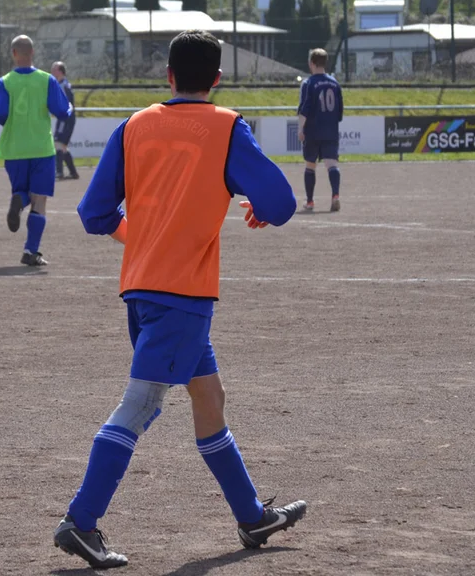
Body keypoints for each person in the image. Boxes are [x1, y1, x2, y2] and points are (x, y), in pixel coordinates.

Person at [53, 30, 304, 570]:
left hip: (142, 290)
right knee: (141, 404)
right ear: (216, 79)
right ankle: (81, 521)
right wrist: (257, 207)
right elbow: (281, 203)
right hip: (183, 296)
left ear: (167, 76)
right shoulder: (226, 126)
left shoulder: (134, 125)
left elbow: (94, 215)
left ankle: (252, 515)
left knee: (209, 397)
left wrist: (141, 237)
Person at [0, 36, 73, 267]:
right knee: (40, 200)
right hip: (40, 148)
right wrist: (69, 107)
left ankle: (19, 198)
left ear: (13, 53)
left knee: (23, 191)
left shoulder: (4, 82)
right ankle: (31, 251)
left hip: (14, 150)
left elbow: (0, 115)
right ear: (33, 52)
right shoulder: (46, 80)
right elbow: (61, 111)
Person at [297, 48, 343, 212]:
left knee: (310, 165)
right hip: (330, 129)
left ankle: (310, 202)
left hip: (313, 130)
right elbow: (339, 112)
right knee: (331, 164)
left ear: (312, 63)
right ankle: (335, 195)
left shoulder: (308, 83)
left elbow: (305, 108)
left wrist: (301, 128)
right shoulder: (335, 83)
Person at [50, 61, 79, 180]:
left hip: (65, 119)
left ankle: (59, 172)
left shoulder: (64, 86)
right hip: (63, 119)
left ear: (60, 71)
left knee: (58, 144)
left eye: (54, 69)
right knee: (62, 146)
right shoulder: (60, 84)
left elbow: (68, 105)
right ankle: (73, 172)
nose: (52, 71)